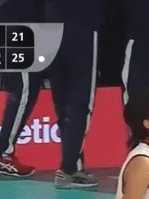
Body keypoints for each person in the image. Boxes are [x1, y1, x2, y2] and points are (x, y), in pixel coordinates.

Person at [44, 0, 103, 188]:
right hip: (81, 27)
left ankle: (72, 165)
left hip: (52, 27)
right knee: (80, 102)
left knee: (62, 101)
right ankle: (69, 169)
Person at [0, 0, 43, 177]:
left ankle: (2, 153)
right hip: (15, 24)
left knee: (26, 88)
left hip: (19, 23)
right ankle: (1, 154)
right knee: (23, 89)